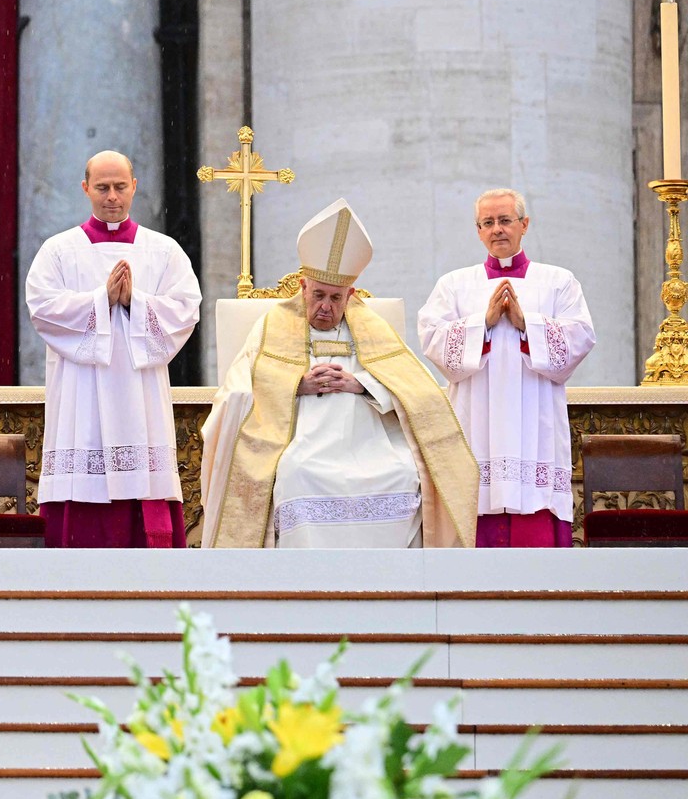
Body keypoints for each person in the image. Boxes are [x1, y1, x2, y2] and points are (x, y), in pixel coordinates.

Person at [201, 199, 478, 548]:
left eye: (336, 298)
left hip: (369, 443)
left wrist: (360, 384)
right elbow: (237, 387)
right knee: (295, 474)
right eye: (318, 295)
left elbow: (418, 389)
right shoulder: (273, 325)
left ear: (350, 295)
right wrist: (294, 385)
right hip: (302, 444)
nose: (325, 307)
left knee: (403, 475)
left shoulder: (371, 327)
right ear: (303, 288)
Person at [25, 150, 201, 548]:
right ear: (85, 188)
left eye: (120, 187)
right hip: (81, 391)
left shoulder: (164, 251)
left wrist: (133, 303)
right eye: (102, 187)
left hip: (140, 391)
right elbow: (43, 308)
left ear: (134, 187)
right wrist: (98, 300)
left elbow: (186, 310)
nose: (112, 197)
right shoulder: (58, 250)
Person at [417, 188, 595, 547]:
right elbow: (432, 340)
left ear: (524, 224)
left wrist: (526, 323)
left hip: (536, 422)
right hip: (475, 418)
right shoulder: (454, 284)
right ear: (478, 230)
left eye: (505, 220)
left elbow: (581, 337)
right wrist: (482, 323)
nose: (497, 229)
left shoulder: (559, 281)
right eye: (487, 223)